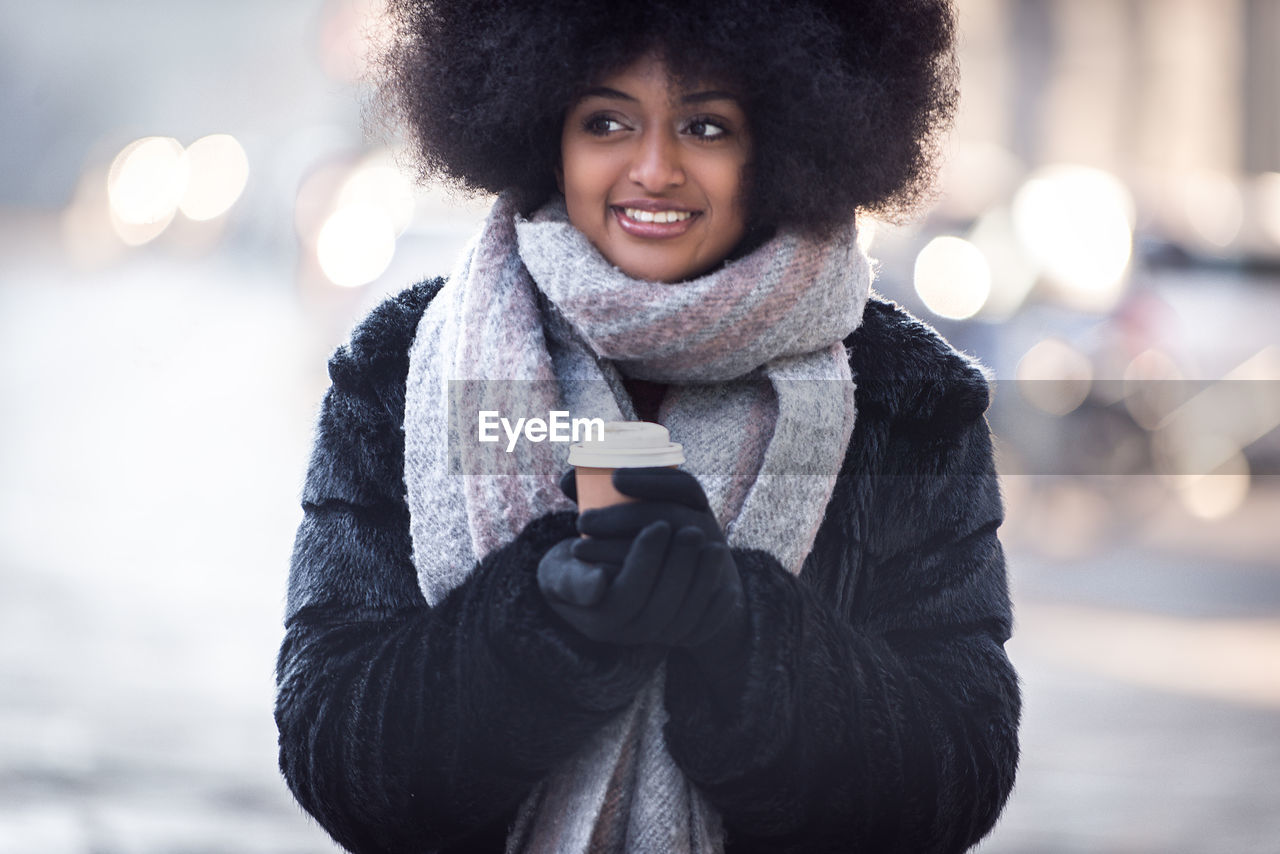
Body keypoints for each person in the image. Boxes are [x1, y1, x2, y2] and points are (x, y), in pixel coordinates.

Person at [275, 1, 1021, 852]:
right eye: (606, 122)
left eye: (705, 125)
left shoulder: (909, 403)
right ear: (543, 130)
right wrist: (537, 624)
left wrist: (741, 637)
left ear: (781, 143)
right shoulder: (400, 370)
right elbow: (331, 744)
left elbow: (957, 773)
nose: (654, 167)